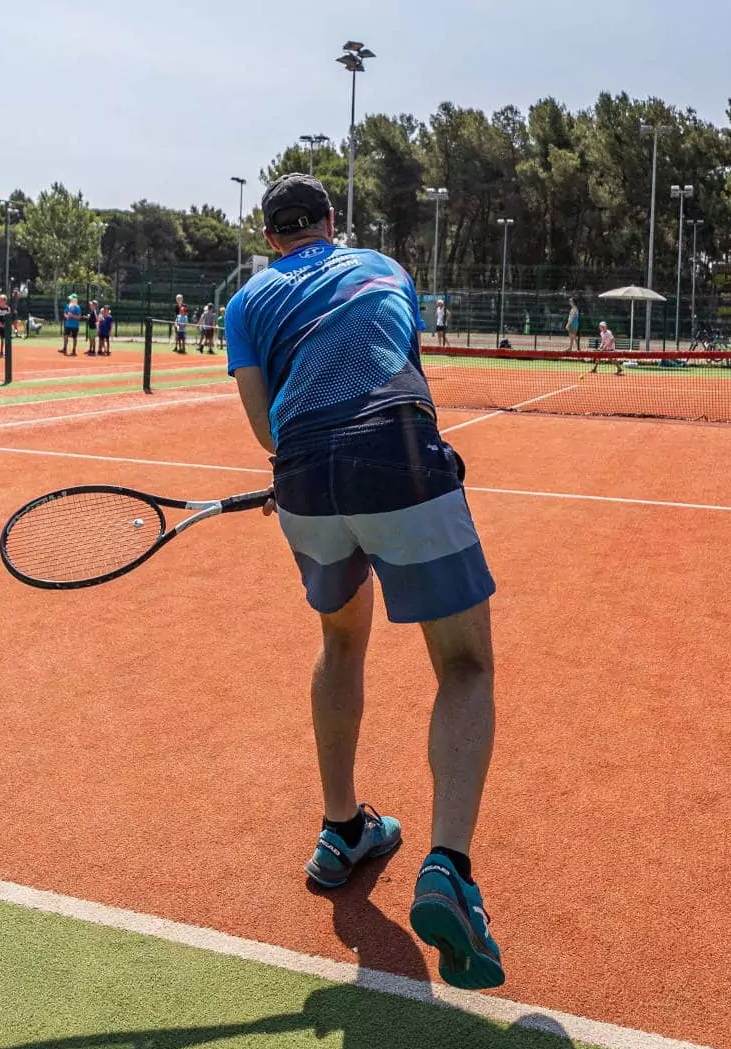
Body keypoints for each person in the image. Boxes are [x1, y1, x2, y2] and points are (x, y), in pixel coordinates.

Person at [225, 173, 503, 991]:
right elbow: (398, 366)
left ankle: (342, 827)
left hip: (305, 476)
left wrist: (306, 472)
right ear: (330, 224)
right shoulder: (381, 265)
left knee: (340, 638)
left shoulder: (247, 302)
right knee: (464, 664)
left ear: (270, 235)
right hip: (396, 453)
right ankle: (448, 866)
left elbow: (263, 423)